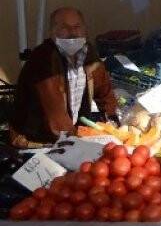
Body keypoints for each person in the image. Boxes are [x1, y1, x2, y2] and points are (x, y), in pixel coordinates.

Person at [9, 8, 119, 148]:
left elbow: (105, 92)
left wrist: (114, 123)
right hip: (37, 139)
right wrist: (78, 143)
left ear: (85, 29)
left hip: (70, 132)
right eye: (64, 28)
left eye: (77, 27)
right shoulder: (43, 59)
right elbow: (56, 117)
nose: (72, 33)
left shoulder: (88, 54)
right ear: (52, 32)